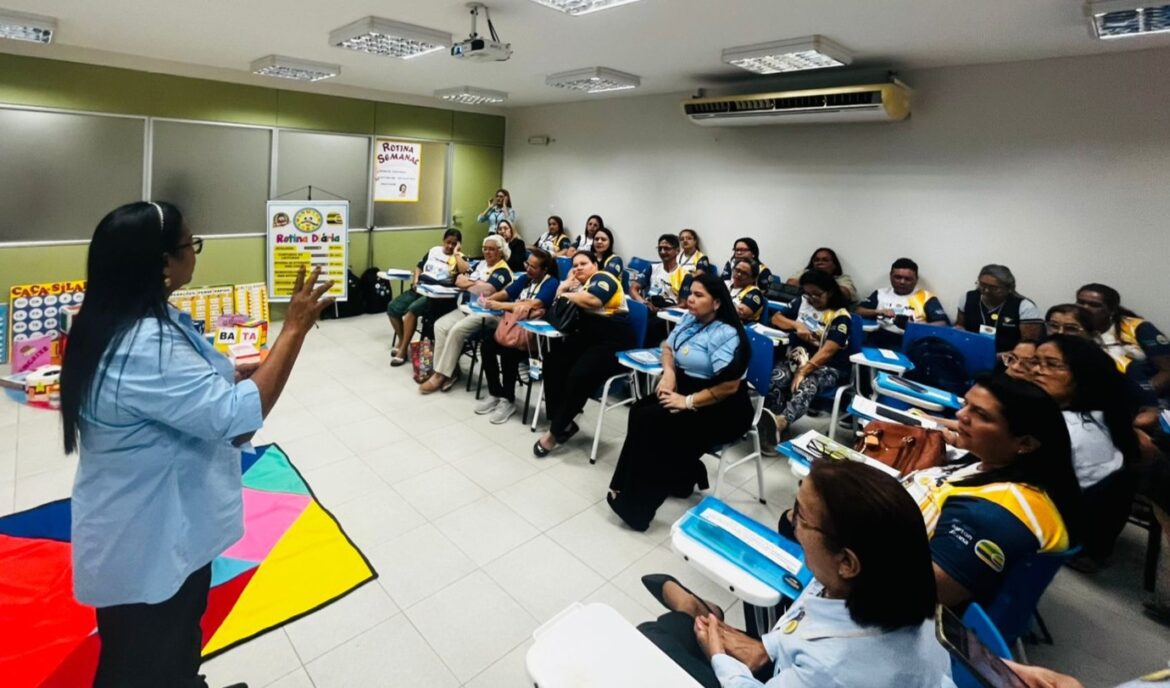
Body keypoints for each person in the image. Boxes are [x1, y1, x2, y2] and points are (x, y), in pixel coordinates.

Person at [60, 201, 333, 688]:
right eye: (191, 244)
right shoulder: (145, 345)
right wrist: (293, 329)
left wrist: (231, 375)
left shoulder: (121, 318)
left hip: (147, 522)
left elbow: (187, 386)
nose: (195, 253)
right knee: (146, 661)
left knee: (171, 645)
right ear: (164, 261)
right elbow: (236, 421)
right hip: (150, 540)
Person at [638, 459, 955, 688]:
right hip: (793, 665)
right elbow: (805, 622)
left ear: (847, 562)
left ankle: (699, 615)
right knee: (677, 630)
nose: (790, 519)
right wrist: (767, 648)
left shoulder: (833, 667)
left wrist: (718, 656)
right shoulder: (891, 587)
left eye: (801, 516)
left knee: (653, 637)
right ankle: (701, 616)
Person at [898, 375, 1083, 607]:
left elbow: (926, 592)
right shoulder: (994, 464)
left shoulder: (996, 514)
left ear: (1025, 444)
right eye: (966, 404)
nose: (961, 415)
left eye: (981, 415)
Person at [606, 273, 753, 531]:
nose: (690, 299)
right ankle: (630, 484)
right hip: (687, 387)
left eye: (698, 295)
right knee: (639, 411)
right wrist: (669, 373)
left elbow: (730, 386)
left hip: (724, 407)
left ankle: (637, 509)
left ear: (717, 303)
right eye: (690, 293)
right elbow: (668, 348)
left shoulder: (726, 334)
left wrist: (688, 402)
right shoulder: (690, 318)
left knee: (657, 425)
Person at [1031, 335, 1141, 571]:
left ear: (1081, 376)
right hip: (1077, 518)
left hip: (1052, 524)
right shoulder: (1102, 418)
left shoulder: (1065, 428)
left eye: (1051, 364)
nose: (1037, 371)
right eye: (1036, 362)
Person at [533, 251, 635, 457]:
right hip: (588, 337)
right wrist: (563, 287)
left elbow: (593, 301)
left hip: (614, 342)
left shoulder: (604, 277)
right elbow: (556, 313)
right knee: (552, 360)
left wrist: (565, 294)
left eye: (583, 263)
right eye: (575, 265)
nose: (578, 268)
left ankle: (553, 434)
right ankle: (563, 423)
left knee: (579, 374)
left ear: (595, 265)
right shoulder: (577, 286)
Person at [763, 270, 852, 441]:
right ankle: (770, 420)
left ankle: (781, 422)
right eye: (808, 293)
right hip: (797, 358)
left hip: (826, 365)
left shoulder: (840, 316)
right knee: (777, 377)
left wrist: (803, 371)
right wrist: (797, 325)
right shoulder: (802, 302)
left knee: (807, 384)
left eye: (817, 294)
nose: (812, 298)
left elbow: (829, 350)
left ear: (830, 292)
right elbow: (776, 318)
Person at [419, 234, 513, 394]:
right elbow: (458, 280)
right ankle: (446, 370)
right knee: (440, 326)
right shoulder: (481, 265)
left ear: (500, 251)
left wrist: (469, 284)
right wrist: (476, 284)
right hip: (468, 308)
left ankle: (440, 375)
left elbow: (487, 291)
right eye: (485, 248)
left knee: (457, 330)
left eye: (491, 249)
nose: (487, 252)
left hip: (489, 314)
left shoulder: (503, 270)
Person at [477, 248, 560, 424]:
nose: (528, 269)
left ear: (544, 269)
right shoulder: (526, 278)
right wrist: (489, 300)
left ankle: (508, 400)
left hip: (533, 338)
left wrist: (499, 305)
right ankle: (495, 392)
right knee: (487, 346)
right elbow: (507, 293)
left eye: (533, 267)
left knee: (509, 354)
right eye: (527, 264)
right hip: (513, 329)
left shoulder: (551, 283)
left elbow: (533, 304)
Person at [1076, 282, 1170, 403]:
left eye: (1094, 305)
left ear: (1111, 310)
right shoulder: (1069, 329)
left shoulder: (1137, 328)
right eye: (1080, 302)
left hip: (1143, 396)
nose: (1084, 308)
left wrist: (1141, 395)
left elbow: (1167, 371)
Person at [387, 228, 463, 366]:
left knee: (411, 311)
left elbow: (464, 271)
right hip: (420, 287)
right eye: (448, 242)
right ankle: (403, 340)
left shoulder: (458, 258)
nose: (450, 246)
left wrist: (457, 253)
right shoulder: (434, 250)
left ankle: (403, 350)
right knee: (393, 308)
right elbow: (419, 267)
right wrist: (416, 280)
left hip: (435, 294)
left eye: (454, 244)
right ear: (443, 240)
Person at [856, 258, 949, 349]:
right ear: (890, 276)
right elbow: (858, 311)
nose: (902, 282)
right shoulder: (880, 293)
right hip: (879, 338)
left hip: (911, 341)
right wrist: (879, 311)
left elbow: (942, 323)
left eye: (908, 279)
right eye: (898, 277)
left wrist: (916, 326)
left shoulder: (925, 297)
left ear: (916, 279)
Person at [955, 264, 1043, 353]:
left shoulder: (1025, 307)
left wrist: (1000, 356)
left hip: (1009, 357)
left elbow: (1029, 346)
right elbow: (960, 325)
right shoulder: (967, 298)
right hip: (971, 352)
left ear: (1009, 288)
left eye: (993, 288)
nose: (986, 291)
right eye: (982, 285)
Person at [631, 233, 690, 344]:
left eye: (667, 248)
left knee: (651, 326)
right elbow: (633, 288)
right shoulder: (652, 268)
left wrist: (662, 310)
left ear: (677, 251)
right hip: (649, 306)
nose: (662, 252)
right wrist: (644, 302)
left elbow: (683, 304)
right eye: (660, 248)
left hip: (668, 312)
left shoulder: (685, 275)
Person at [787, 247, 857, 302]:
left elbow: (844, 294)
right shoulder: (806, 272)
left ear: (834, 265)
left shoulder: (842, 278)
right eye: (816, 260)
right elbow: (791, 284)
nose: (820, 262)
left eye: (825, 260)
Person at [726, 258, 765, 323]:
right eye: (737, 270)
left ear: (753, 278)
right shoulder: (725, 283)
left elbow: (741, 313)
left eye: (744, 273)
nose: (739, 274)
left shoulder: (755, 292)